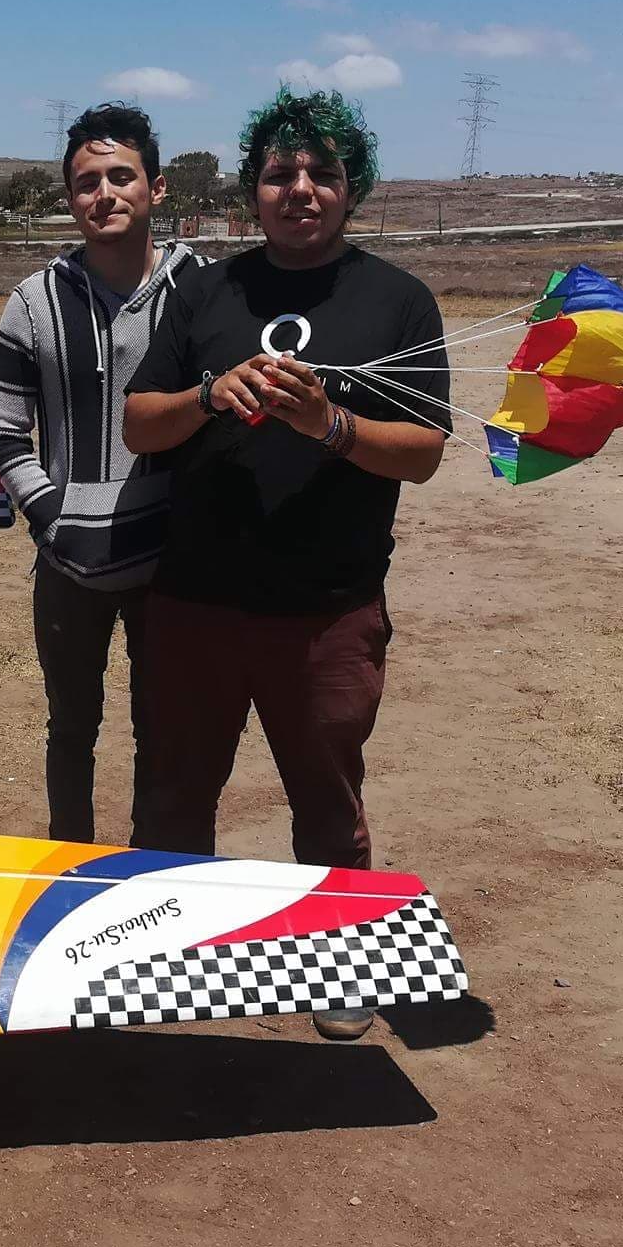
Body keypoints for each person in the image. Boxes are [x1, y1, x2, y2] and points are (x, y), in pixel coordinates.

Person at [123, 87, 448, 1040]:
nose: (299, 189)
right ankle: (166, 951)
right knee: (176, 790)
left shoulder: (397, 300)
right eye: (279, 173)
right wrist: (211, 395)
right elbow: (143, 425)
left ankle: (338, 964)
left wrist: (329, 424)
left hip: (327, 607)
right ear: (251, 190)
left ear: (353, 191)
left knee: (326, 795)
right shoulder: (204, 293)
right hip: (194, 601)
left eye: (322, 174)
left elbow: (423, 452)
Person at [0, 103, 207, 844]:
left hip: (173, 567)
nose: (104, 194)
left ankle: (148, 874)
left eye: (121, 176)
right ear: (70, 198)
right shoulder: (31, 304)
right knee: (69, 730)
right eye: (86, 182)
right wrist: (53, 518)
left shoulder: (204, 292)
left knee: (165, 729)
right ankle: (66, 868)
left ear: (157, 188)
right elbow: (6, 435)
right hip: (65, 566)